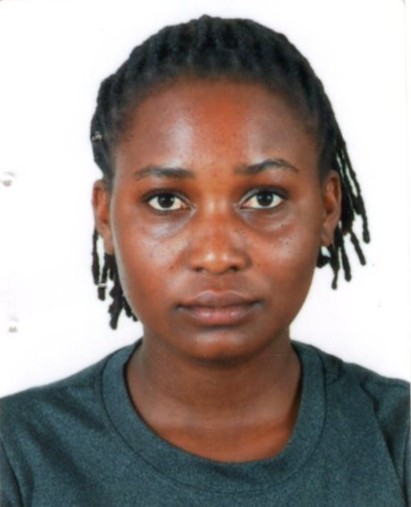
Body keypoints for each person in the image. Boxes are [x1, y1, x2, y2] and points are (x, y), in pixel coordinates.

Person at [0, 15, 409, 506]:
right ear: (106, 217)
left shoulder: (396, 441)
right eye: (166, 201)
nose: (217, 255)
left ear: (327, 209)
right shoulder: (17, 457)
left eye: (264, 198)